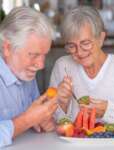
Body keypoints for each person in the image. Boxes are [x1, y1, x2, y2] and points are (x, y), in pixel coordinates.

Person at [50, 6, 114, 128]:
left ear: (101, 39)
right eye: (71, 46)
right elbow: (50, 122)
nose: (80, 53)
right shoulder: (62, 66)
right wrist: (63, 104)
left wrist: (108, 111)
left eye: (85, 44)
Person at [0, 7, 58, 147]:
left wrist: (42, 121)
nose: (41, 65)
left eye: (44, 55)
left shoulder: (25, 74)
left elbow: (34, 121)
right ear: (7, 48)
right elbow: (27, 119)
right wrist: (28, 120)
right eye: (34, 55)